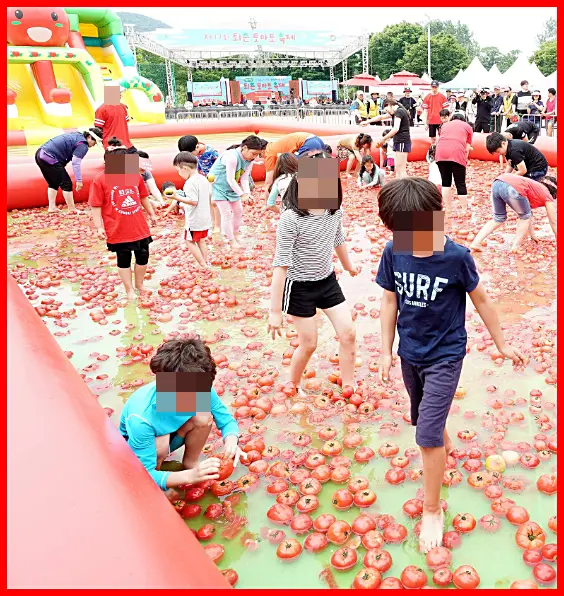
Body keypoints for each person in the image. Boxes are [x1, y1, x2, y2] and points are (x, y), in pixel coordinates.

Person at [376, 177, 524, 553]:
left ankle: (431, 508)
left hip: (445, 355)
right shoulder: (394, 251)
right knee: (424, 422)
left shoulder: (457, 257)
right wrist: (384, 350)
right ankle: (441, 446)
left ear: (438, 218)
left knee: (424, 436)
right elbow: (389, 302)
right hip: (411, 353)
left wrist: (502, 344)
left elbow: (483, 302)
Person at [268, 151, 358, 397]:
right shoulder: (291, 219)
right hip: (298, 286)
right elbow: (281, 265)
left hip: (327, 280)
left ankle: (348, 383)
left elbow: (337, 239)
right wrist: (275, 311)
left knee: (348, 333)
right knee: (309, 344)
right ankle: (294, 384)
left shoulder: (333, 211)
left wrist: (348, 265)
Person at [119, 337, 241, 491]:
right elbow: (143, 474)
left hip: (171, 434)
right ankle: (161, 484)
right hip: (138, 449)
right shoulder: (141, 417)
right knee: (161, 445)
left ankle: (190, 464)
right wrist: (190, 477)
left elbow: (226, 421)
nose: (193, 398)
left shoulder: (199, 388)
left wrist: (231, 441)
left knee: (202, 416)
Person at [89, 139, 157, 301]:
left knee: (143, 254)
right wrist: (99, 227)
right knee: (124, 258)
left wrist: (151, 213)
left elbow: (143, 197)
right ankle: (129, 290)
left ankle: (140, 285)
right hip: (117, 227)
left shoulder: (134, 176)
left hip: (138, 225)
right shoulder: (101, 180)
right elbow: (95, 205)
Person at [470, 175, 557, 253]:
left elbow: (528, 213)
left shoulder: (535, 187)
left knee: (498, 218)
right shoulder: (547, 196)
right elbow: (553, 221)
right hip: (513, 188)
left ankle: (476, 243)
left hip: (497, 182)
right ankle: (515, 247)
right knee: (524, 218)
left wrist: (532, 235)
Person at [208, 135, 263, 249]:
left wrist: (247, 194)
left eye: (257, 154)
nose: (255, 157)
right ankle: (231, 240)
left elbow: (244, 178)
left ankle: (235, 233)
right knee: (226, 213)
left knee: (238, 211)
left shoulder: (250, 160)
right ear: (245, 148)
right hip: (218, 186)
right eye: (253, 153)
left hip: (231, 187)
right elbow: (230, 179)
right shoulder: (232, 157)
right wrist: (242, 194)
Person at [35, 128, 102, 213]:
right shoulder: (83, 145)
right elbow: (75, 162)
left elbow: (65, 152)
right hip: (48, 156)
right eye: (94, 142)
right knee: (66, 183)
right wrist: (79, 180)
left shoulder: (77, 136)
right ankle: (72, 209)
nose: (94, 144)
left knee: (53, 182)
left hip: (40, 154)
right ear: (89, 137)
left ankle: (52, 207)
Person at [167, 152, 212, 269]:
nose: (179, 174)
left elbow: (193, 201)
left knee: (189, 241)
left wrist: (176, 197)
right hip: (205, 217)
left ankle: (202, 264)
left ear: (185, 168)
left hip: (195, 220)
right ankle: (204, 262)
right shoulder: (203, 179)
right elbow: (209, 194)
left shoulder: (190, 182)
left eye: (179, 171)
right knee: (201, 240)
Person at [435, 112, 473, 213]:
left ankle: (448, 209)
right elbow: (467, 148)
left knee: (445, 182)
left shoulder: (444, 125)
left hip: (440, 153)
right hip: (456, 154)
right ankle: (464, 210)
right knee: (460, 183)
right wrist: (464, 160)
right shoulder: (467, 126)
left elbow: (441, 138)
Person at [365, 99, 411, 179]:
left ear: (389, 105)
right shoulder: (395, 113)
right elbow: (381, 117)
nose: (387, 112)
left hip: (402, 141)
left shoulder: (399, 112)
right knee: (397, 167)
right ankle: (399, 185)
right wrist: (367, 121)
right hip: (398, 140)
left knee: (401, 169)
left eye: (387, 110)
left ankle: (406, 188)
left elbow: (395, 128)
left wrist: (384, 138)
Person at [94, 85, 133, 149]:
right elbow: (98, 129)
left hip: (126, 143)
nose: (121, 95)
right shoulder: (102, 109)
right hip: (111, 145)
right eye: (119, 93)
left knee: (132, 158)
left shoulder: (123, 107)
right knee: (117, 159)